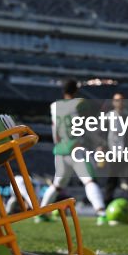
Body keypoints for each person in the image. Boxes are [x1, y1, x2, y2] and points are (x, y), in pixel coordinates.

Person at [36, 80, 108, 224]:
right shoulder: (80, 103)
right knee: (89, 181)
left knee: (57, 185)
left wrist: (60, 145)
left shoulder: (54, 106)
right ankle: (101, 213)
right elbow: (89, 126)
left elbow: (55, 131)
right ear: (76, 90)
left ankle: (41, 213)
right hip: (77, 148)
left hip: (60, 150)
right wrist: (99, 143)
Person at [101, 93, 128, 207]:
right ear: (113, 102)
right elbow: (102, 134)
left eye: (121, 100)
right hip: (112, 153)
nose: (120, 102)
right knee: (111, 181)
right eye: (117, 100)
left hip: (126, 154)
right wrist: (102, 146)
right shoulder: (108, 116)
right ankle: (106, 204)